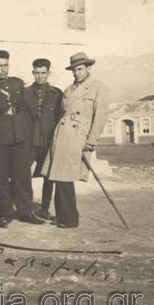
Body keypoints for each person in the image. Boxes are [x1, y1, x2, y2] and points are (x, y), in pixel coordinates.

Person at [41, 52, 109, 228]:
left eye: (80, 69)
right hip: (61, 136)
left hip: (77, 137)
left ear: (88, 68)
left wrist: (91, 140)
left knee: (64, 177)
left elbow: (100, 116)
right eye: (74, 70)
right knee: (58, 177)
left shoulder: (97, 87)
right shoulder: (68, 90)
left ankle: (70, 219)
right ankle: (63, 216)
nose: (76, 73)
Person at [0, 50, 44, 227]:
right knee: (2, 177)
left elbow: (27, 109)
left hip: (20, 136)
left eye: (6, 65)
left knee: (23, 176)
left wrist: (25, 131)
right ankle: (6, 212)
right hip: (0, 137)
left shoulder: (18, 83)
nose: (3, 69)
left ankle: (26, 211)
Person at [23, 58, 63, 222]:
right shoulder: (24, 93)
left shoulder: (57, 93)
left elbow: (60, 118)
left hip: (48, 140)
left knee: (49, 177)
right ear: (33, 73)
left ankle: (45, 209)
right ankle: (25, 208)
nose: (40, 76)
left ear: (48, 73)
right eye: (37, 73)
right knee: (23, 174)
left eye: (43, 73)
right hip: (29, 141)